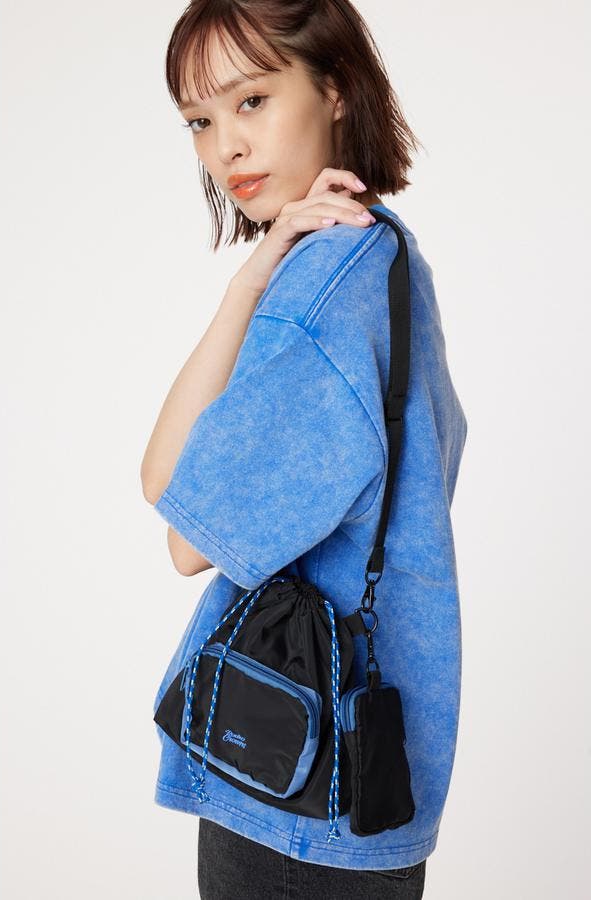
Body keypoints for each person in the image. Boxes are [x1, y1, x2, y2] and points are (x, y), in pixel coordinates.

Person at [140, 2, 467, 897]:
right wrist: (254, 272)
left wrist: (270, 288)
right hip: (373, 778)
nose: (225, 148)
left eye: (251, 100)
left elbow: (182, 530)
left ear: (336, 87)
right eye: (199, 121)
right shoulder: (390, 262)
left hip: (289, 794)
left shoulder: (319, 298)